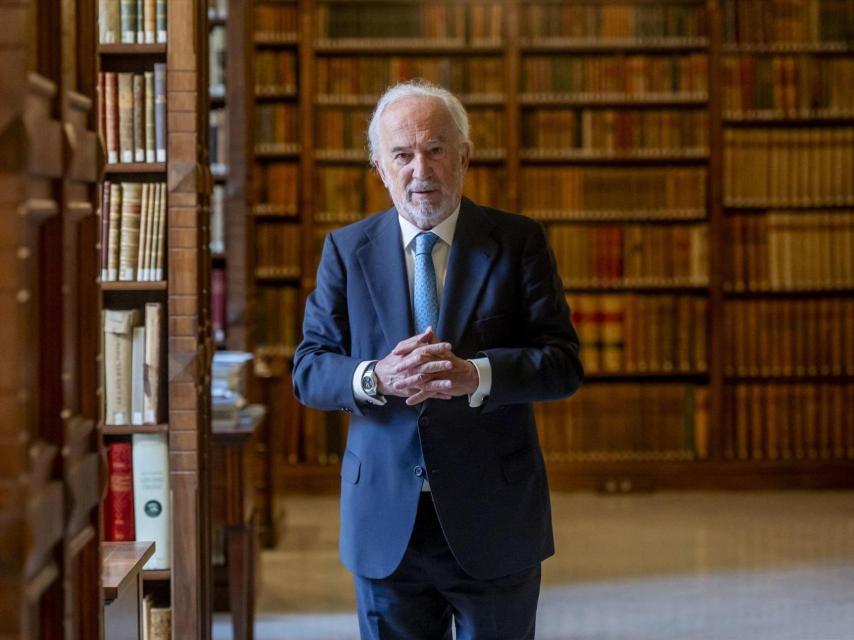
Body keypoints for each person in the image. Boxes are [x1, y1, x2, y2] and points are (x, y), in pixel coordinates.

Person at [292, 80, 584, 640]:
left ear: (465, 156)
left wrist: (479, 374)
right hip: (385, 522)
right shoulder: (345, 251)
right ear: (379, 166)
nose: (419, 170)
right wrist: (375, 376)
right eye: (402, 154)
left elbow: (562, 363)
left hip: (493, 519)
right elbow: (309, 369)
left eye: (435, 149)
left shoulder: (518, 242)